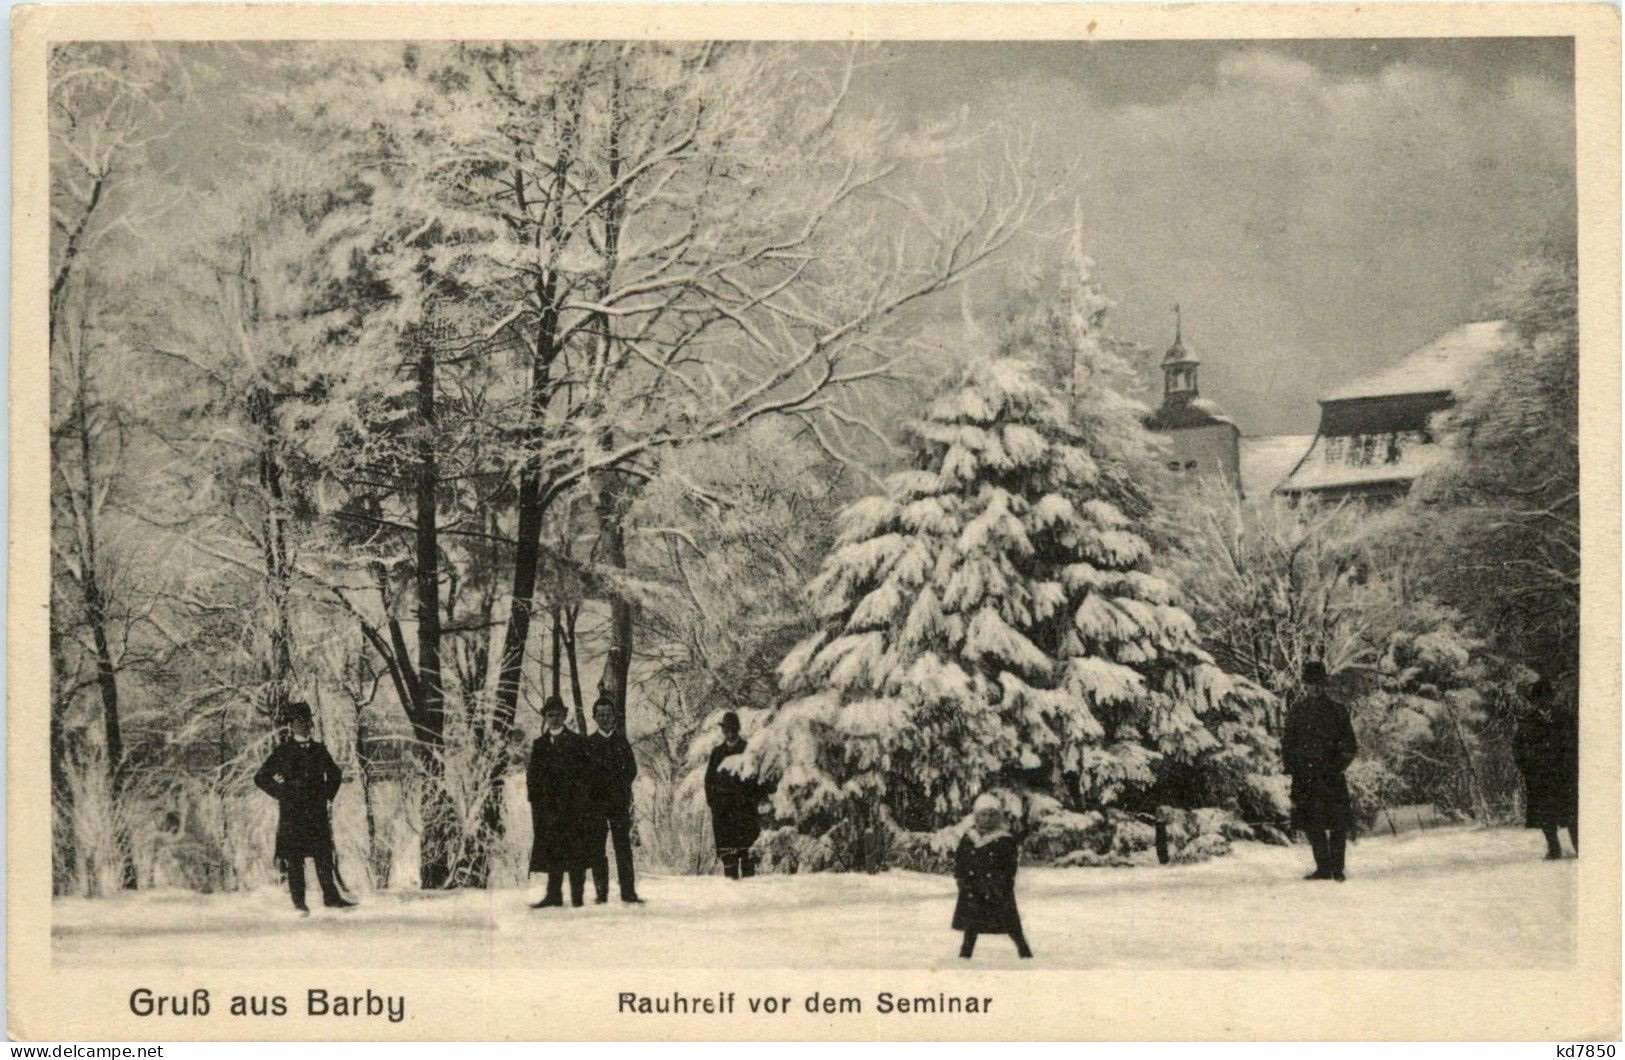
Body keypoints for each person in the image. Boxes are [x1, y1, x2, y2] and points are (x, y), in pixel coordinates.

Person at [253, 701, 354, 915]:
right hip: (293, 814)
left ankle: (331, 898)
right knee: (295, 860)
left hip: (316, 813)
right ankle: (299, 903)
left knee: (323, 856)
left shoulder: (319, 750)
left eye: (307, 722)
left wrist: (327, 796)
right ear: (291, 725)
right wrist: (281, 792)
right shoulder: (283, 751)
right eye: (299, 722)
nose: (304, 726)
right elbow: (260, 777)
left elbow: (335, 774)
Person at [1281, 660, 1358, 882]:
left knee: (1337, 825)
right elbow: (1288, 744)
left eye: (1318, 683)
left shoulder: (1337, 711)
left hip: (1331, 776)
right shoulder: (1297, 712)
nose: (1314, 688)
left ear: (1324, 685)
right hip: (1305, 777)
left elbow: (1349, 745)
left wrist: (1337, 766)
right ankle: (1323, 868)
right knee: (1312, 824)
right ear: (1305, 685)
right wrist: (1293, 766)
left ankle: (1337, 868)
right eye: (1310, 684)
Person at [953, 792, 1032, 959]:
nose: (987, 819)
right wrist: (961, 879)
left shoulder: (1004, 840)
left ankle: (1024, 952)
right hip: (973, 888)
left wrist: (1002, 882)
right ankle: (965, 955)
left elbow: (1011, 865)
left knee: (1010, 923)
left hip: (997, 888)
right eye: (983, 815)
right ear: (976, 816)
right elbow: (960, 860)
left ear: (998, 817)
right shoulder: (969, 838)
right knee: (971, 924)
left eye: (992, 815)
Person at [528, 695, 590, 908]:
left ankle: (577, 898)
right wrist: (538, 805)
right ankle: (553, 895)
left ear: (565, 715)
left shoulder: (577, 742)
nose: (554, 719)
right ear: (545, 717)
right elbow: (532, 778)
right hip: (549, 810)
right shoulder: (539, 744)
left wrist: (580, 803)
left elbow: (585, 776)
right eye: (550, 715)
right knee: (553, 851)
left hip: (573, 809)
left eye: (558, 715)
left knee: (575, 853)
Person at [586, 696, 643, 904]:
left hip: (618, 804)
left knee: (623, 849)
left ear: (614, 717)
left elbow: (632, 770)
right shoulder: (589, 744)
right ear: (594, 718)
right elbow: (583, 776)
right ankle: (601, 893)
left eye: (608, 714)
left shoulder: (622, 742)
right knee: (597, 849)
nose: (604, 718)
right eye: (600, 715)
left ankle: (628, 893)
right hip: (596, 806)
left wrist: (619, 787)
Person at [1515, 677, 1578, 860]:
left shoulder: (1565, 717)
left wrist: (1572, 766)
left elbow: (1576, 743)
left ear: (1551, 698)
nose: (1543, 702)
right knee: (1545, 817)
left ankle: (1579, 847)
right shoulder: (1527, 722)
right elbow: (1517, 748)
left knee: (1571, 814)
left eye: (1546, 697)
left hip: (1564, 775)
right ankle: (1554, 849)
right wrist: (1526, 768)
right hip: (1539, 777)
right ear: (1534, 701)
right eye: (1538, 699)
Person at [704, 711, 763, 879]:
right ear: (723, 731)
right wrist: (715, 805)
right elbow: (709, 782)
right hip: (723, 817)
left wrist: (749, 800)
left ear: (737, 730)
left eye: (733, 730)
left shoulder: (747, 749)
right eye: (726, 730)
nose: (729, 734)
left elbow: (756, 780)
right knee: (729, 865)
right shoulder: (717, 753)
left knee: (747, 860)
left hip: (745, 815)